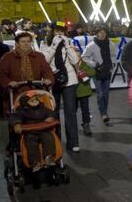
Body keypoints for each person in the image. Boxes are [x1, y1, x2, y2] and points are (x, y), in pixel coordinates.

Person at [41, 21, 80, 152]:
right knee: (54, 112)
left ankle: (73, 142)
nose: (59, 34)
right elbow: (45, 61)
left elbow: (75, 61)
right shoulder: (44, 43)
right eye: (57, 31)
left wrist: (68, 45)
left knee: (71, 112)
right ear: (52, 31)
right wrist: (54, 45)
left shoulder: (68, 43)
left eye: (62, 31)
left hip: (69, 80)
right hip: (53, 80)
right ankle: (56, 140)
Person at [10, 90, 58, 172]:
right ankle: (35, 162)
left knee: (49, 138)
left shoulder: (43, 108)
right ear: (25, 104)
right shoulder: (22, 111)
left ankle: (49, 157)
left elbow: (51, 113)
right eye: (32, 100)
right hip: (30, 132)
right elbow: (15, 117)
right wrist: (16, 124)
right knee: (31, 143)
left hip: (43, 129)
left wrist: (50, 117)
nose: (35, 101)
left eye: (36, 99)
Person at [0, 32, 54, 97]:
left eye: (28, 41)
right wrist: (8, 82)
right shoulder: (8, 57)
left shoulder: (38, 56)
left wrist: (49, 79)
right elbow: (0, 73)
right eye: (23, 42)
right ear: (17, 43)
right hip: (15, 91)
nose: (26, 44)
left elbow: (47, 70)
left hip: (36, 91)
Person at [82, 25, 116, 124]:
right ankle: (103, 113)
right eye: (100, 32)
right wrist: (94, 64)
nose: (102, 34)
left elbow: (113, 56)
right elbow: (84, 57)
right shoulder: (91, 45)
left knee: (106, 94)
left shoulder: (111, 44)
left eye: (104, 32)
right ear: (96, 34)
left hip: (107, 71)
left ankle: (104, 111)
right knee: (100, 94)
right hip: (97, 72)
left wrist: (112, 66)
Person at [75, 52, 95, 135]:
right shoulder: (69, 65)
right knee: (72, 110)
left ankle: (86, 124)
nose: (77, 57)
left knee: (85, 110)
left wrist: (84, 73)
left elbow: (93, 72)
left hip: (84, 91)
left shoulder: (84, 64)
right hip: (73, 91)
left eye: (78, 55)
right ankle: (72, 125)